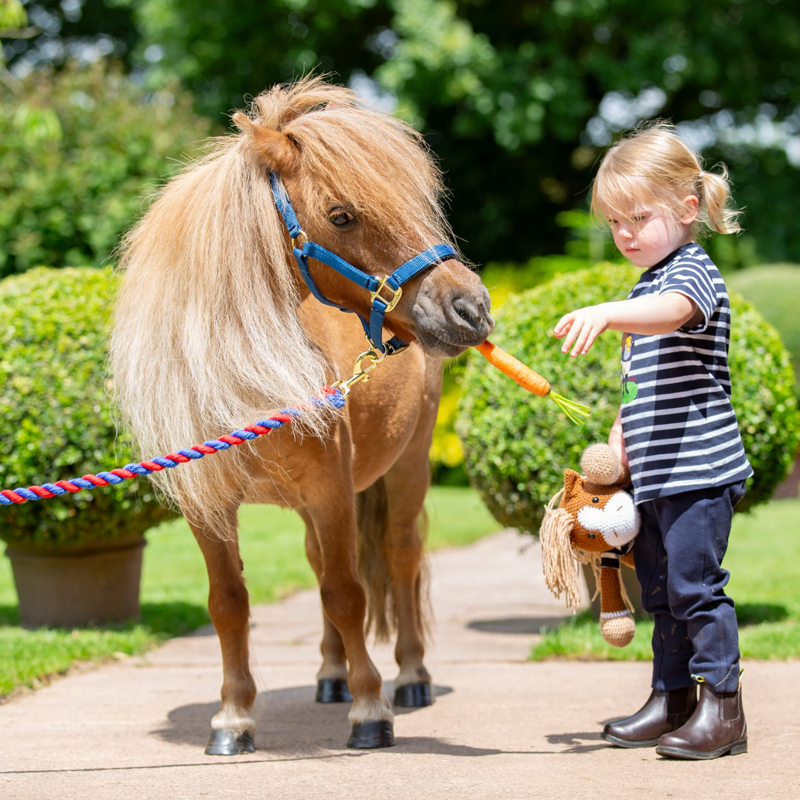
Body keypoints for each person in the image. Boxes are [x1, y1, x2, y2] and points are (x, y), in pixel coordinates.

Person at [553, 122, 752, 761]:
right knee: (662, 592)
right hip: (659, 474)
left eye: (638, 217)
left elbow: (675, 313)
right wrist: (620, 440)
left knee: (697, 587)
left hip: (700, 471)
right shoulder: (646, 286)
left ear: (687, 209)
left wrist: (607, 313)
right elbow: (641, 388)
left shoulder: (691, 273)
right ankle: (672, 698)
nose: (625, 233)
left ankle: (724, 708)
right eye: (615, 222)